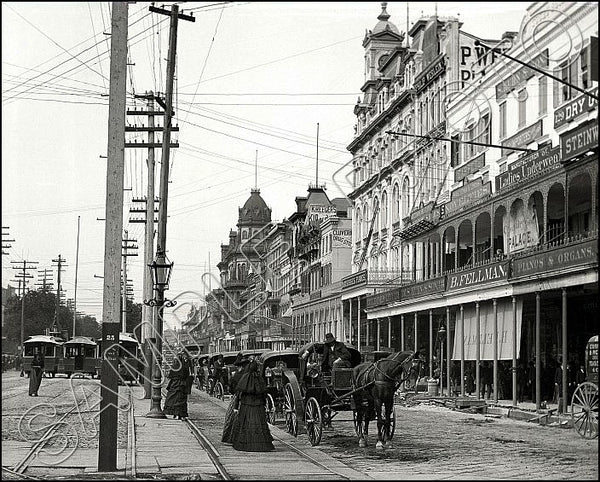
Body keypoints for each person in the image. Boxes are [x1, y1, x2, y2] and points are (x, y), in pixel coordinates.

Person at [231, 358, 274, 452]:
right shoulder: (259, 378)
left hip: (246, 405)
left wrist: (235, 406)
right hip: (258, 406)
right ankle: (261, 443)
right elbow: (263, 393)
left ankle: (247, 443)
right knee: (259, 424)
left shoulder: (245, 377)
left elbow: (239, 393)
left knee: (246, 424)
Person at [222, 352, 250, 444]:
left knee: (232, 417)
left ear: (240, 367)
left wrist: (234, 393)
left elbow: (231, 388)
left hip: (237, 397)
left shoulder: (236, 375)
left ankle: (232, 437)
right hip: (248, 399)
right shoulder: (249, 374)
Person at [163, 350, 191, 420]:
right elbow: (186, 375)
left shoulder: (174, 366)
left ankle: (173, 413)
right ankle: (181, 414)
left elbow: (170, 375)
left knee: (172, 398)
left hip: (174, 384)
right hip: (182, 384)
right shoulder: (184, 366)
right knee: (181, 400)